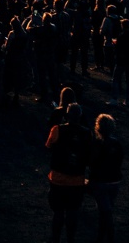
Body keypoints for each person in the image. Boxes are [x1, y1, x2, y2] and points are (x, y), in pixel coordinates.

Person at [45, 103, 90, 243]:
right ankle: (70, 238)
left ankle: (55, 238)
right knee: (72, 211)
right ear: (80, 116)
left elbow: (48, 146)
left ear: (67, 116)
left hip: (58, 178)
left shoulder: (57, 129)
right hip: (77, 179)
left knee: (58, 212)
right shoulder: (87, 133)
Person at [86, 113, 123, 243]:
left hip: (100, 181)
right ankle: (102, 237)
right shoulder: (117, 144)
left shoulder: (97, 144)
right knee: (105, 210)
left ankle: (108, 237)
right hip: (115, 181)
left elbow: (91, 162)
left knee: (105, 213)